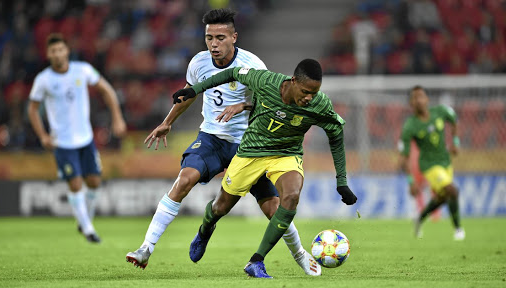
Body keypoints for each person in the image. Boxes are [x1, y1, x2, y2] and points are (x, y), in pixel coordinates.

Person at [125, 8, 321, 276]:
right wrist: (168, 121)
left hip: (250, 145)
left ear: (234, 37)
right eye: (209, 38)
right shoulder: (198, 63)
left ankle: (300, 254)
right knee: (184, 180)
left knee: (273, 208)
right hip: (212, 138)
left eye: (220, 38)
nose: (214, 44)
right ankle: (146, 248)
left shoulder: (253, 63)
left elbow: (274, 102)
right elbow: (191, 93)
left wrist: (242, 105)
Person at [155, 58, 358, 278]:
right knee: (220, 208)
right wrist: (195, 90)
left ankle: (256, 261)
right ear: (293, 81)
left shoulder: (320, 104)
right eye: (305, 91)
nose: (309, 98)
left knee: (291, 196)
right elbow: (231, 73)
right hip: (251, 152)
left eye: (314, 93)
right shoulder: (265, 80)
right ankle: (206, 228)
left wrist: (342, 181)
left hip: (286, 154)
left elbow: (336, 135)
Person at [28, 33, 126, 243]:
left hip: (85, 139)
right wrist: (43, 135)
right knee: (75, 184)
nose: (57, 54)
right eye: (53, 51)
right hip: (62, 142)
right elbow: (33, 109)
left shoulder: (82, 70)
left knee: (94, 182)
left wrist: (117, 118)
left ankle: (85, 221)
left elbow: (106, 89)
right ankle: (88, 228)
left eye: (60, 49)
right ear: (48, 54)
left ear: (67, 51)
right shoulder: (43, 80)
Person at [398, 85, 464, 241]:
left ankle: (420, 218)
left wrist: (455, 142)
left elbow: (454, 119)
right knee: (452, 191)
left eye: (421, 96)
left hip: (445, 162)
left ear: (427, 99)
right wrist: (410, 181)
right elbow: (403, 157)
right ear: (411, 103)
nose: (419, 100)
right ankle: (458, 230)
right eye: (415, 98)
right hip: (429, 166)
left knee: (442, 197)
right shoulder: (410, 126)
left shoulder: (440, 112)